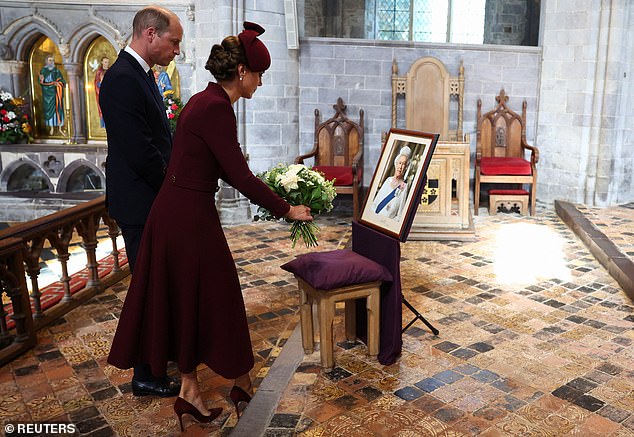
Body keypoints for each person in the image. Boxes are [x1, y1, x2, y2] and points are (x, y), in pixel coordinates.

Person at [107, 21, 313, 431]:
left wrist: (272, 194)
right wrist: (286, 208)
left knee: (192, 297)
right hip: (186, 216)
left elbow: (224, 167)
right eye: (260, 75)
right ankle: (239, 385)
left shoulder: (205, 101)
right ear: (242, 73)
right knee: (221, 297)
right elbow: (237, 173)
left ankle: (191, 390)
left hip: (182, 211)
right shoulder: (216, 107)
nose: (261, 83)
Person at [99, 6, 183, 398]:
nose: (176, 51)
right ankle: (145, 374)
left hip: (150, 199)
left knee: (158, 283)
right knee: (148, 287)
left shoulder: (142, 75)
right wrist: (174, 186)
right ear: (151, 34)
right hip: (139, 203)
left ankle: (158, 355)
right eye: (174, 42)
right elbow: (139, 150)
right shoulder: (120, 78)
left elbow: (157, 139)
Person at [372, 145, 411, 219]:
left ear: (406, 168)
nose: (400, 167)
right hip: (375, 218)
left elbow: (400, 215)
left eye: (403, 164)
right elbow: (375, 203)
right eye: (399, 163)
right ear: (396, 164)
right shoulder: (388, 180)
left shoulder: (404, 187)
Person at [39, 55, 66, 136]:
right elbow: (41, 82)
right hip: (48, 95)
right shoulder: (43, 71)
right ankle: (51, 128)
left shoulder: (56, 71)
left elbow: (62, 81)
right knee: (49, 111)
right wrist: (43, 81)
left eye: (52, 60)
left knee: (58, 109)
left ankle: (60, 128)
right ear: (46, 61)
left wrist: (59, 83)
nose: (51, 62)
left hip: (56, 93)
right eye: (49, 60)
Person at [94, 56, 110, 127]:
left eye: (108, 62)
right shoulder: (99, 72)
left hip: (110, 95)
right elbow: (96, 84)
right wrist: (101, 83)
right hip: (102, 94)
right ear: (102, 62)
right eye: (105, 62)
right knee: (103, 109)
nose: (107, 63)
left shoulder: (110, 71)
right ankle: (104, 125)